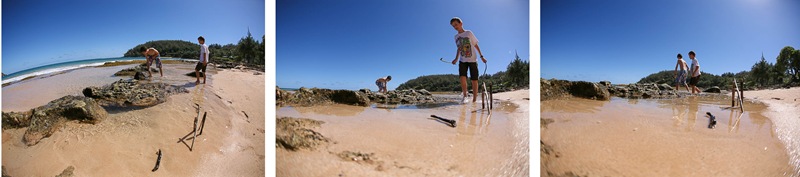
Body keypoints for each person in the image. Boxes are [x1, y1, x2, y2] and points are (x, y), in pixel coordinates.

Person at [449, 17, 487, 103]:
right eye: (453, 26)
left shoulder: (468, 33)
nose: (455, 27)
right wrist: (456, 59)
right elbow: (459, 49)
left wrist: (482, 57)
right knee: (462, 77)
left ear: (461, 23)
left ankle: (474, 99)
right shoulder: (456, 37)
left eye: (456, 24)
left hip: (473, 59)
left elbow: (475, 45)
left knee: (474, 79)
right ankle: (465, 96)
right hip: (462, 60)